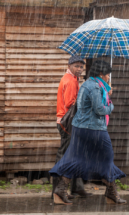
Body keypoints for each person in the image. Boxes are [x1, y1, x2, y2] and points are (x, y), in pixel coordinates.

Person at [49, 60, 127, 205]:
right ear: (101, 74)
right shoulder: (96, 87)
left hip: (80, 128)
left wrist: (106, 93)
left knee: (74, 159)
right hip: (94, 129)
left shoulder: (87, 83)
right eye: (108, 74)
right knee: (107, 158)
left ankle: (60, 191)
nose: (109, 77)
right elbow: (100, 109)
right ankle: (111, 194)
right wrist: (110, 103)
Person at [52, 55, 92, 200]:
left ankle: (76, 188)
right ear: (69, 66)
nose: (80, 69)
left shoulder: (73, 79)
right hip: (67, 121)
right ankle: (58, 190)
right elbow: (70, 103)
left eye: (82, 67)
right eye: (76, 66)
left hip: (68, 120)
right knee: (64, 156)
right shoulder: (69, 81)